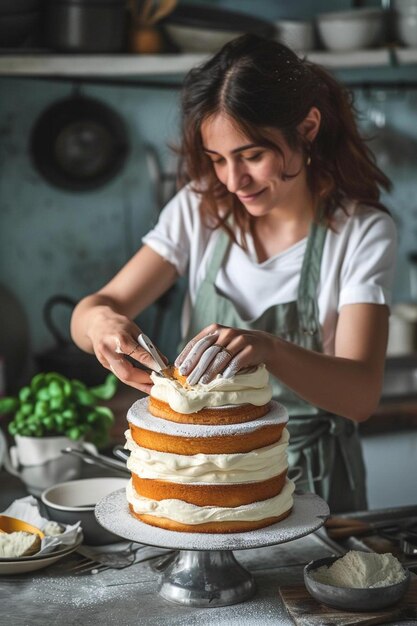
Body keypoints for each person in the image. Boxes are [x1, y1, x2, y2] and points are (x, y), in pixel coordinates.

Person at [71, 34, 396, 513]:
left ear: (306, 128)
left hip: (315, 483)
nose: (231, 180)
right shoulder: (198, 211)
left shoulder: (362, 233)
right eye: (218, 159)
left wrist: (269, 348)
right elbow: (93, 309)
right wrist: (102, 325)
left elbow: (361, 395)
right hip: (201, 479)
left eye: (251, 156)